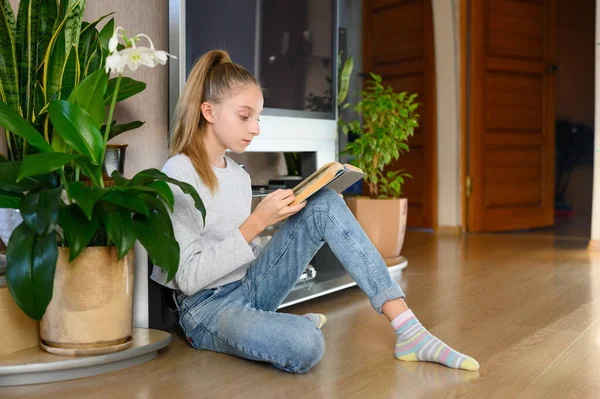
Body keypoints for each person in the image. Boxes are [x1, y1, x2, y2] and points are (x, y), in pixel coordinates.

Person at [151, 50, 479, 374]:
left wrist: (278, 227)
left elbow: (244, 253)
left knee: (324, 201)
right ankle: (283, 326)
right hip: (206, 310)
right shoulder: (179, 172)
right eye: (244, 116)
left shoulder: (239, 175)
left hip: (249, 287)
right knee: (307, 345)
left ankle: (409, 329)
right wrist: (258, 221)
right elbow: (189, 278)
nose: (255, 128)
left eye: (258, 117)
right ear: (208, 111)